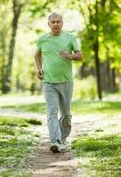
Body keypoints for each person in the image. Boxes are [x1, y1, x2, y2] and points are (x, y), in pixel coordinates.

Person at [34, 12, 83, 153]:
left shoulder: (70, 38)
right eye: (53, 22)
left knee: (66, 115)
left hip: (66, 82)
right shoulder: (43, 39)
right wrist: (39, 69)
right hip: (49, 83)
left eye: (58, 22)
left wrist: (69, 55)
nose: (56, 24)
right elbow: (37, 54)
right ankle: (55, 141)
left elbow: (80, 56)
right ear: (48, 24)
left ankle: (62, 138)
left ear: (62, 23)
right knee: (52, 112)